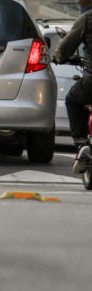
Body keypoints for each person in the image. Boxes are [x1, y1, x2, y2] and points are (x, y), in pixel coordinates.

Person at [52, 11, 92, 173]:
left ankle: (82, 143)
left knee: (73, 100)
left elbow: (66, 47)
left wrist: (59, 57)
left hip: (91, 84)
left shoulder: (87, 19)